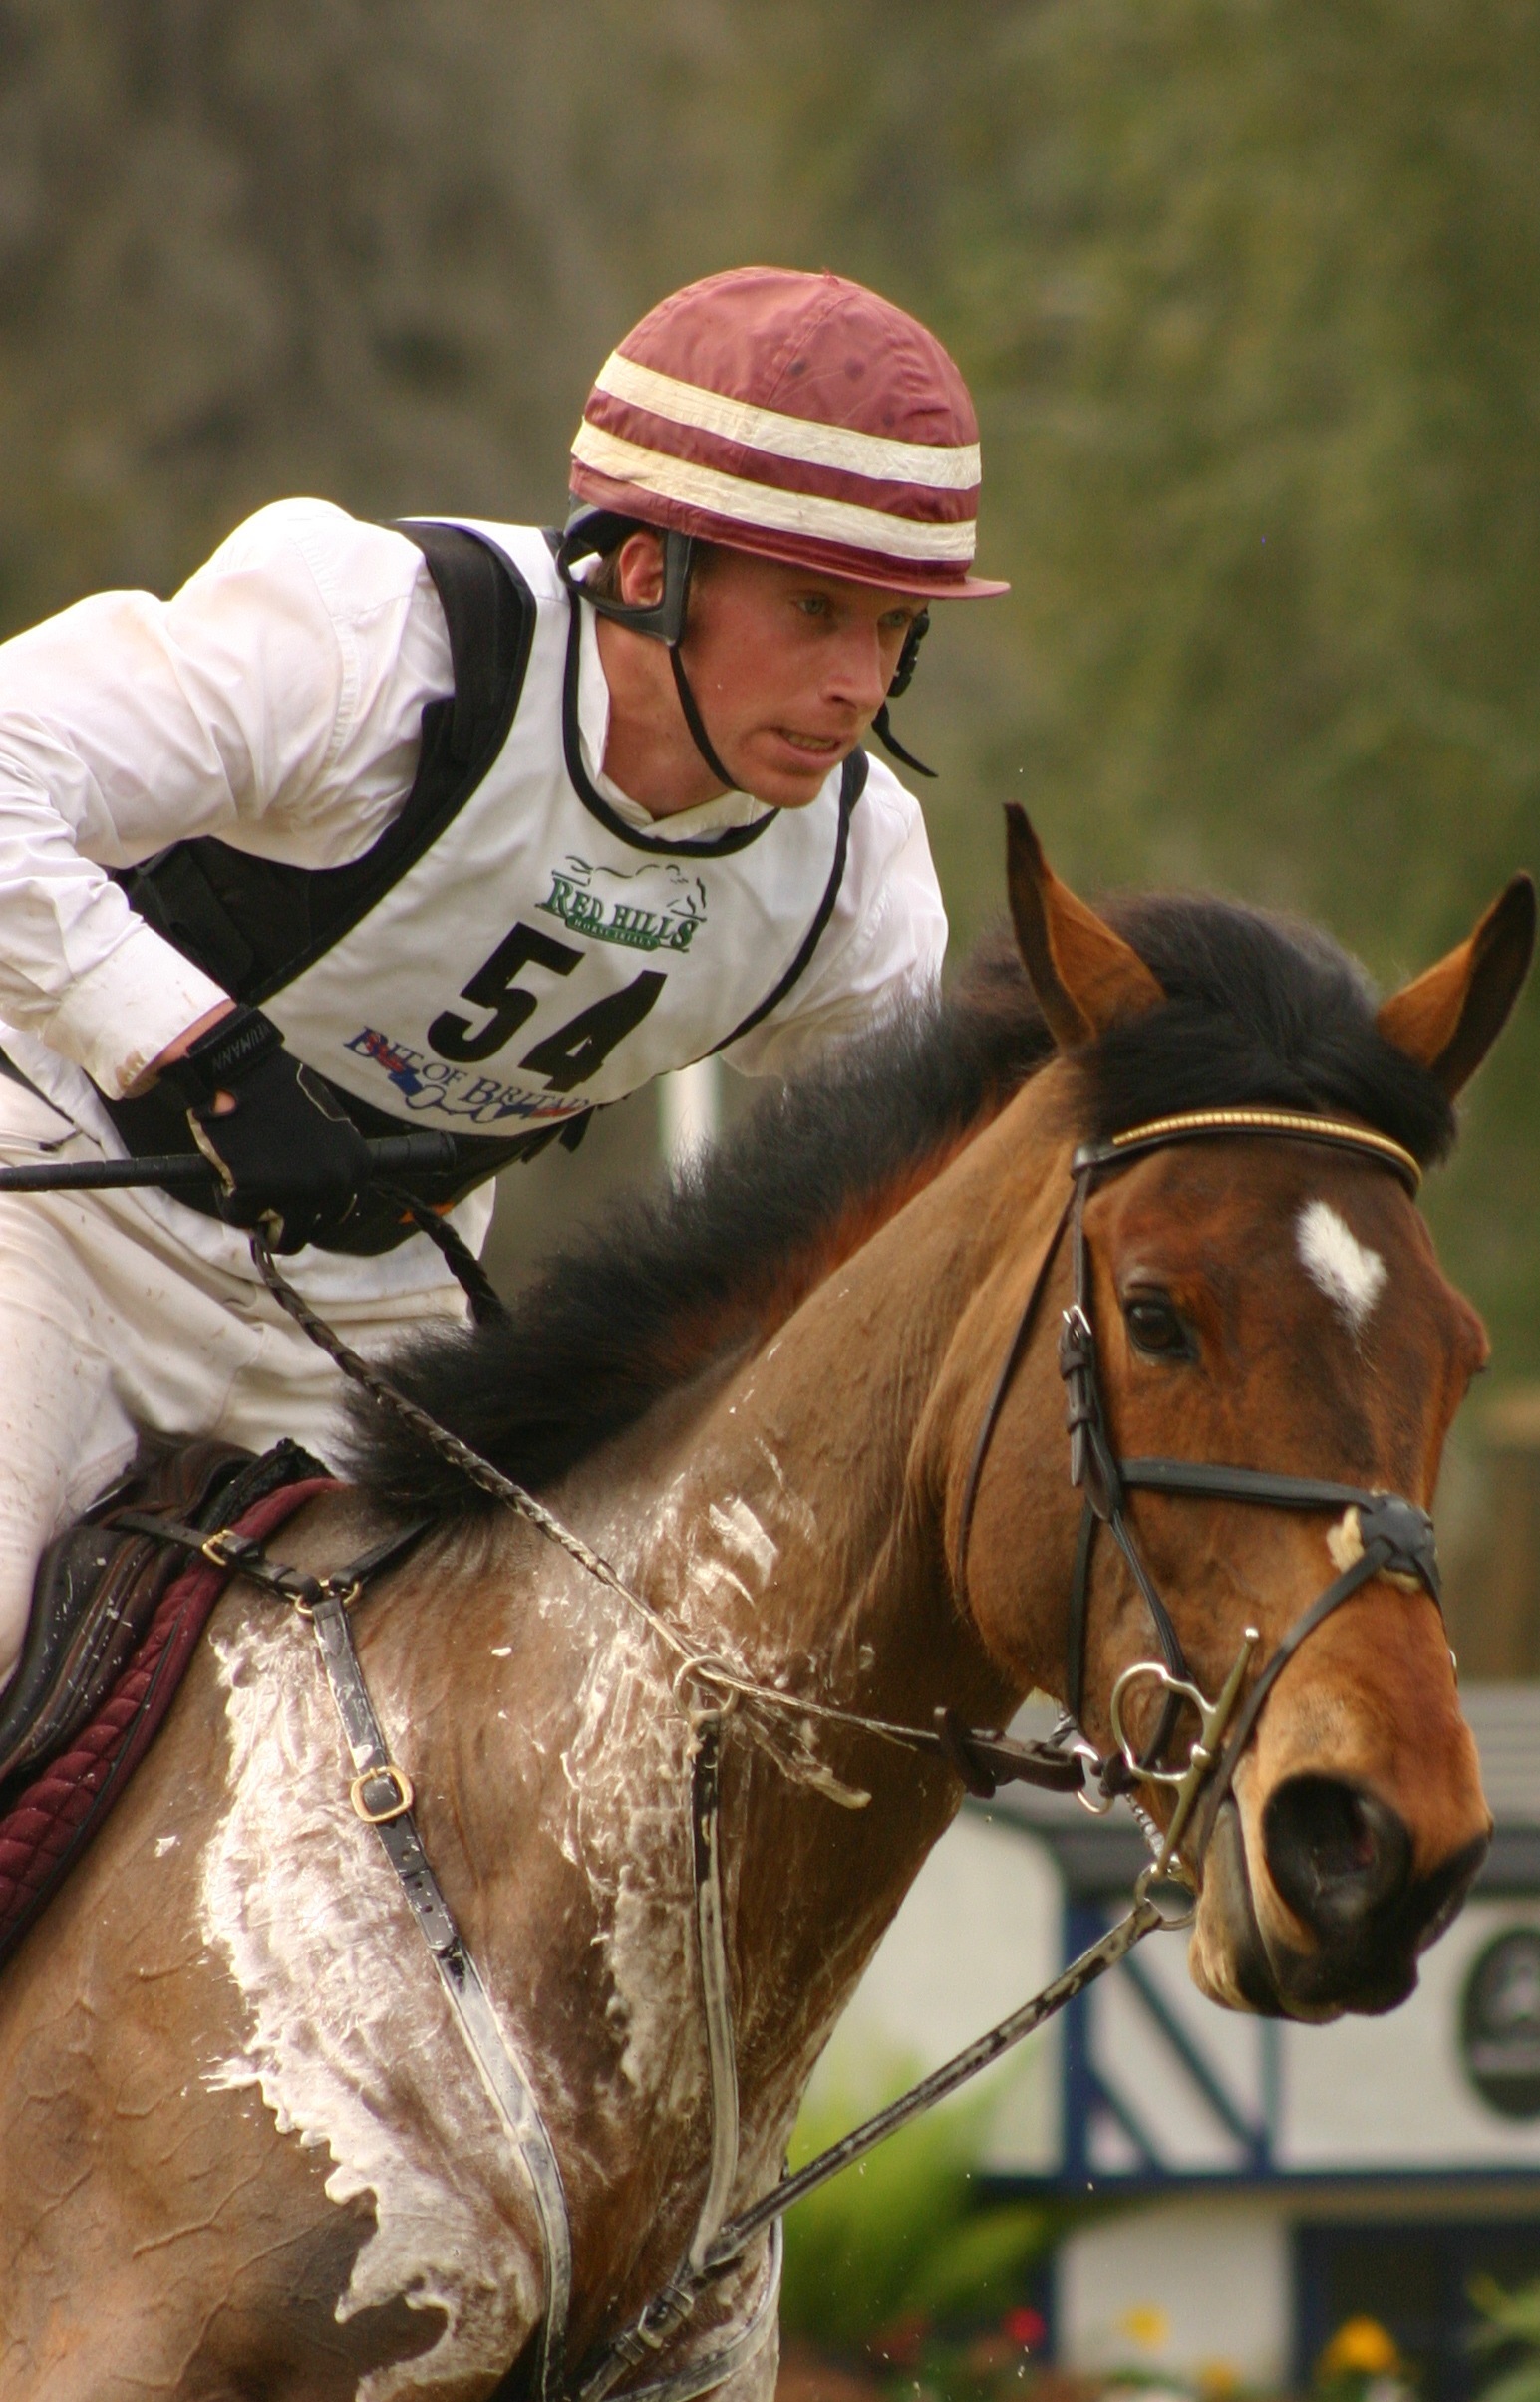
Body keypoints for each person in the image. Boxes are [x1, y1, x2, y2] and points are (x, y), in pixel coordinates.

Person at [0, 265, 1004, 1683]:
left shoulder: (859, 880)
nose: (861, 684)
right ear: (650, 573)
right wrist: (202, 1056)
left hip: (375, 1316)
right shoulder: (378, 642)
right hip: (61, 1204)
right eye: (816, 609)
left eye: (897, 628)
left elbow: (899, 1229)